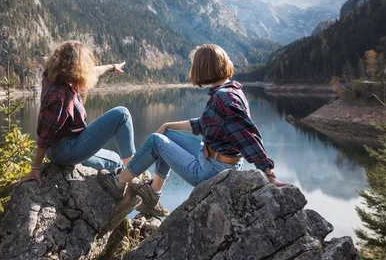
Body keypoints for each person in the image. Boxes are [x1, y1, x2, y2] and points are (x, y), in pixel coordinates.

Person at [98, 44, 288, 217]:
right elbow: (205, 124)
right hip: (213, 160)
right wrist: (168, 125)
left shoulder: (224, 98)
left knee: (156, 141)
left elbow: (248, 136)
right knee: (166, 135)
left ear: (203, 69)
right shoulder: (231, 90)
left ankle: (119, 182)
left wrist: (268, 173)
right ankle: (152, 195)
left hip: (212, 171)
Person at [17, 40, 134, 186]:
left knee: (115, 161)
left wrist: (112, 67)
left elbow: (94, 71)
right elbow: (44, 135)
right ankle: (134, 173)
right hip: (64, 150)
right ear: (77, 67)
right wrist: (35, 168)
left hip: (68, 145)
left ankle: (125, 177)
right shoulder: (59, 95)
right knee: (122, 114)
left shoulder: (55, 76)